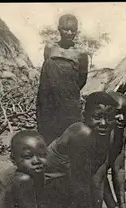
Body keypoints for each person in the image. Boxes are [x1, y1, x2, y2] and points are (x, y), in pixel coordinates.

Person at [42, 91, 122, 208]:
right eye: (97, 117)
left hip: (62, 189)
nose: (104, 123)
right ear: (84, 115)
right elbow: (81, 185)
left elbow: (98, 180)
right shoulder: (82, 133)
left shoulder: (107, 133)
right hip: (42, 192)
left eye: (109, 117)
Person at [36, 14, 89, 145]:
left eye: (73, 30)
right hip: (49, 101)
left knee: (69, 136)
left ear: (77, 30)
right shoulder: (49, 48)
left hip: (69, 102)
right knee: (47, 134)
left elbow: (82, 79)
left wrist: (66, 92)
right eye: (66, 29)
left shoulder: (81, 54)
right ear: (59, 29)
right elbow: (47, 73)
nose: (69, 33)